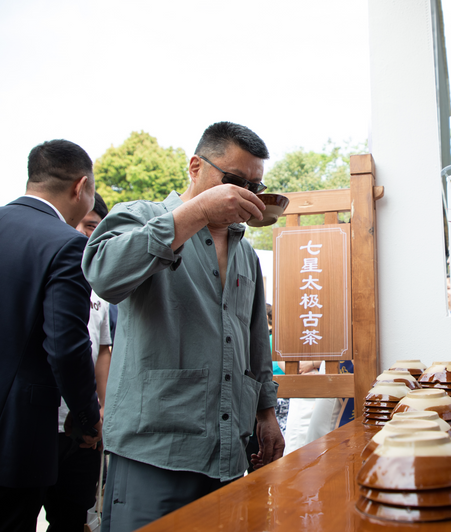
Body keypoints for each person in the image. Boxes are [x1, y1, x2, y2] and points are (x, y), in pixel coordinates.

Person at [82, 121, 285, 531]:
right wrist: (195, 214)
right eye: (233, 180)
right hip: (154, 448)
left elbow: (253, 340)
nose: (245, 193)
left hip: (229, 449)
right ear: (195, 167)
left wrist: (266, 411)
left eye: (255, 186)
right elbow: (103, 274)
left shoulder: (244, 251)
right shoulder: (140, 216)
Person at [0, 139, 102, 532]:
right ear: (80, 187)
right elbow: (65, 346)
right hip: (12, 436)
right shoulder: (65, 244)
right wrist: (85, 417)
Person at [43, 192, 112, 531]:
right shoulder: (48, 267)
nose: (86, 234)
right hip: (41, 423)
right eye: (83, 224)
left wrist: (101, 410)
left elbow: (102, 351)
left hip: (85, 430)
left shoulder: (101, 288)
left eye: (94, 227)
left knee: (72, 516)